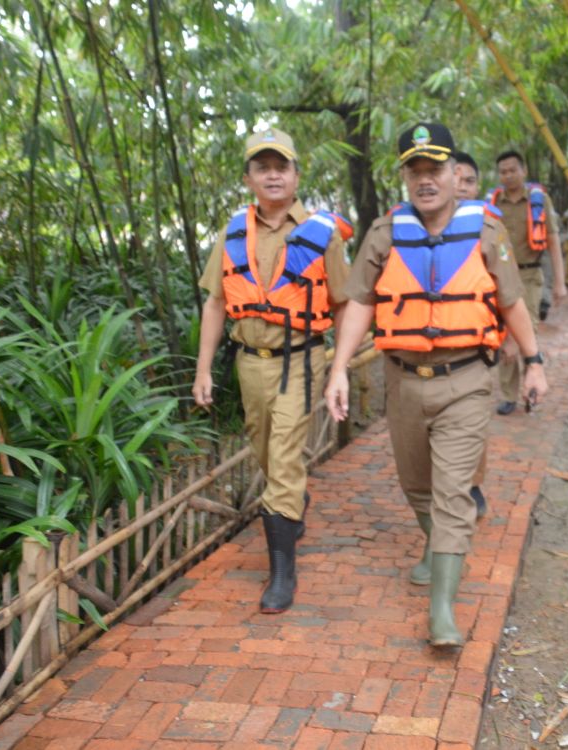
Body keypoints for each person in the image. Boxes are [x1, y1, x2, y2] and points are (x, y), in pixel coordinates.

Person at [325, 123, 548, 648]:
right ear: (404, 176)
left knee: (452, 493)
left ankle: (441, 610)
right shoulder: (384, 234)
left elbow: (512, 302)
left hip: (467, 378)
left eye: (436, 169)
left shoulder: (487, 233)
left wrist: (534, 362)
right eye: (415, 170)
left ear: (454, 175)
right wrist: (339, 368)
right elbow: (360, 303)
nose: (426, 180)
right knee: (416, 486)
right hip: (402, 380)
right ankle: (434, 546)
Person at [193, 128, 352, 615]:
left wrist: (338, 369)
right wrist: (203, 370)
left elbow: (345, 305)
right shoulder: (232, 232)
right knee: (265, 449)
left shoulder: (321, 234)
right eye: (262, 167)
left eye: (281, 165)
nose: (273, 174)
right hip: (248, 364)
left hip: (301, 360)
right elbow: (217, 303)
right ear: (249, 179)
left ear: (297, 174)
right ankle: (290, 504)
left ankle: (282, 574)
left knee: (283, 459)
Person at [489, 150, 566, 416]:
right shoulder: (494, 202)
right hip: (501, 277)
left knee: (525, 333)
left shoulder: (539, 200)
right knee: (503, 335)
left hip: (530, 276)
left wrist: (560, 282)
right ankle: (509, 395)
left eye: (513, 170)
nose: (508, 175)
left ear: (523, 171)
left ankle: (531, 389)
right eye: (503, 171)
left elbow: (554, 241)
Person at [453, 150, 490, 520]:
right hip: (430, 351)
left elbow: (506, 293)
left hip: (477, 348)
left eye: (470, 181)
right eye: (457, 179)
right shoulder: (415, 227)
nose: (462, 188)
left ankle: (473, 482)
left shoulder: (487, 227)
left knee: (473, 422)